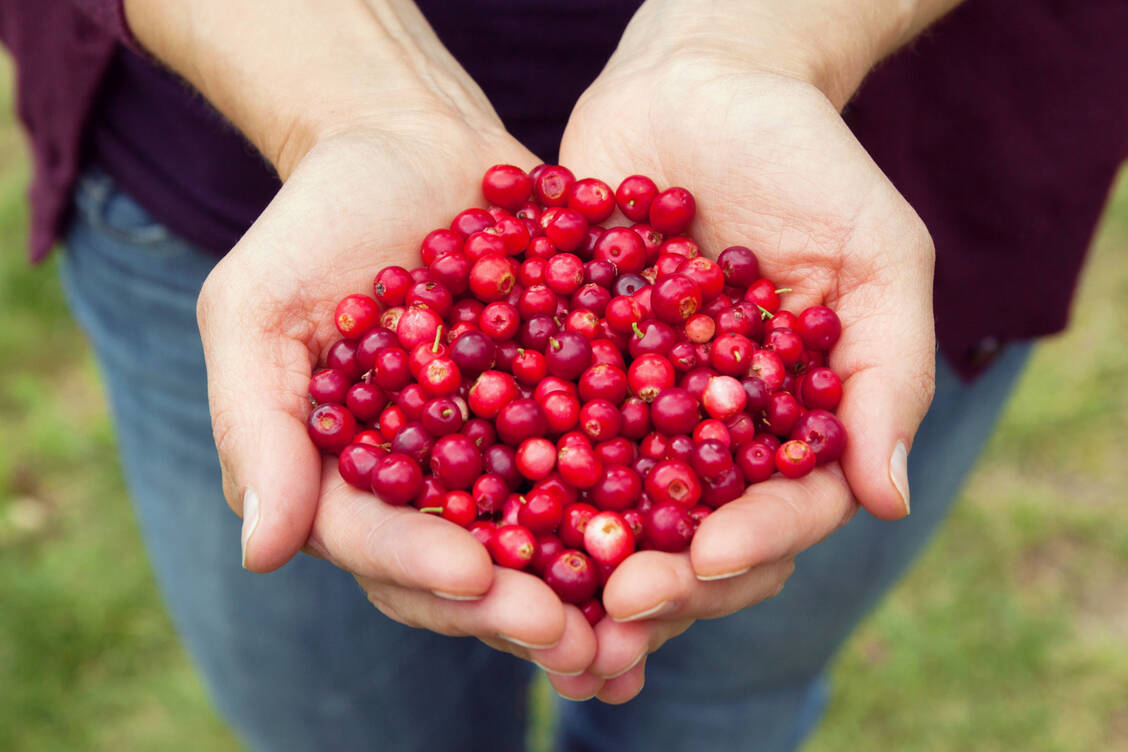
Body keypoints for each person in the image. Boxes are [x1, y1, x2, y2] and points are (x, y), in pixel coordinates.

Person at [2, 0, 1124, 749]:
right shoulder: (460, 347)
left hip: (860, 173)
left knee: (730, 703)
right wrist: (349, 96)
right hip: (238, 159)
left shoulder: (720, 321)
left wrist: (752, 38)